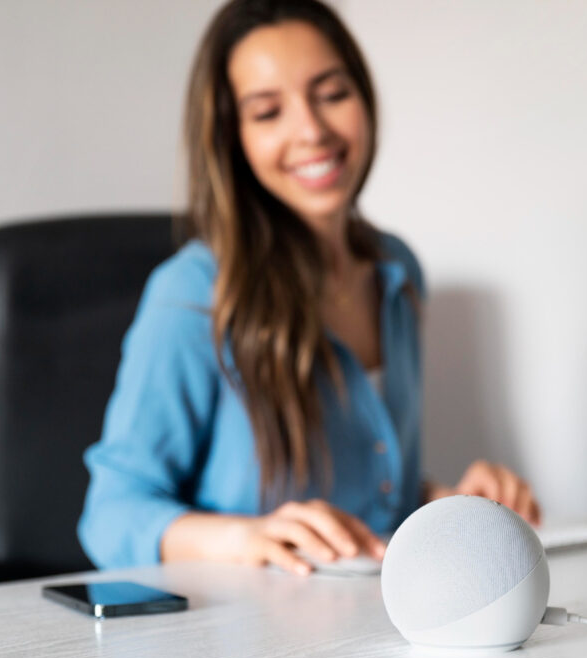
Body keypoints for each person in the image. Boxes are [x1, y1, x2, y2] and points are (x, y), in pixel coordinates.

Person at [78, 0, 541, 576]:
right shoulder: (193, 291)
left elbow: (374, 498)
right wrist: (247, 537)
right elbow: (110, 515)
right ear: (232, 137)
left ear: (364, 98)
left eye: (331, 94)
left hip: (377, 614)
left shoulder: (397, 271)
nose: (312, 130)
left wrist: (450, 504)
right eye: (268, 111)